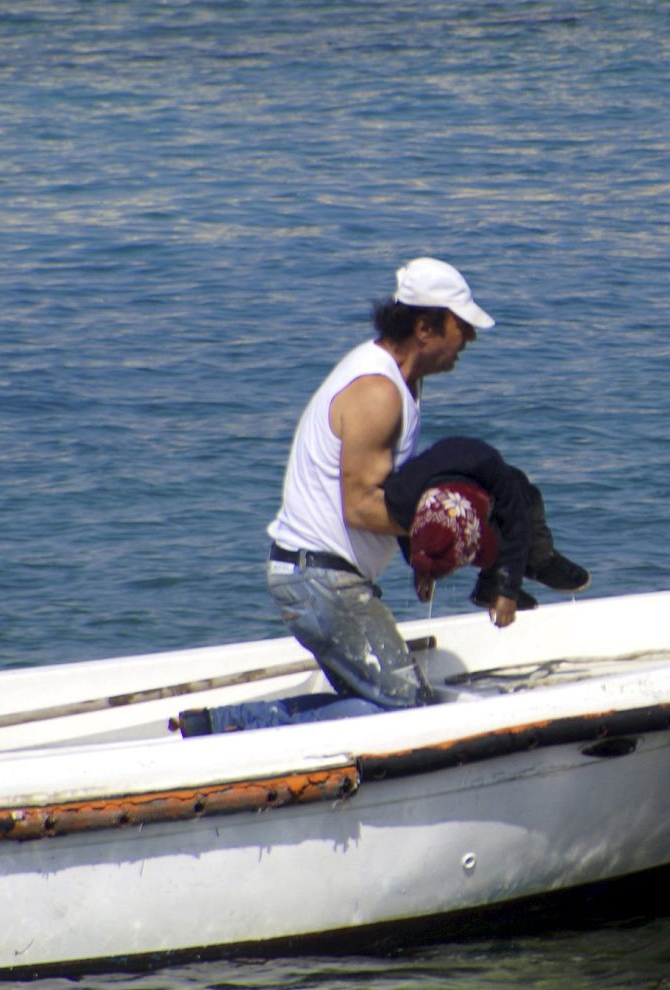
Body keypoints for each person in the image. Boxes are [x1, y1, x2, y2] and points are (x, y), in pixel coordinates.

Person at [175, 257, 496, 736]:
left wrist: (421, 556)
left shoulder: (400, 380)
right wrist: (452, 531)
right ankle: (229, 728)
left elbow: (382, 492)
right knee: (406, 714)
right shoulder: (377, 392)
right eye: (461, 326)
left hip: (319, 574)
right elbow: (362, 507)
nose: (469, 339)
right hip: (318, 579)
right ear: (425, 327)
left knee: (378, 708)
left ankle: (218, 727)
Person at [383, 435, 591, 612]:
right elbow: (407, 536)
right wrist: (422, 570)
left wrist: (507, 592)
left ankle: (539, 561)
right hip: (432, 478)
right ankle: (488, 589)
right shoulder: (401, 499)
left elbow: (517, 531)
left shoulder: (494, 474)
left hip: (481, 468)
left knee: (527, 500)